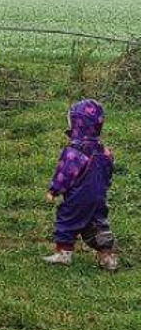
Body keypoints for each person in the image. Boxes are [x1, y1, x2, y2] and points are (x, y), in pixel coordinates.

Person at [43, 99, 118, 270]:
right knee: (99, 224)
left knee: (67, 220)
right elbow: (108, 173)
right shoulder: (105, 152)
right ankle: (108, 256)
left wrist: (54, 191)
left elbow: (65, 174)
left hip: (78, 198)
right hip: (99, 197)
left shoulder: (74, 152)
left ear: (76, 123)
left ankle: (64, 253)